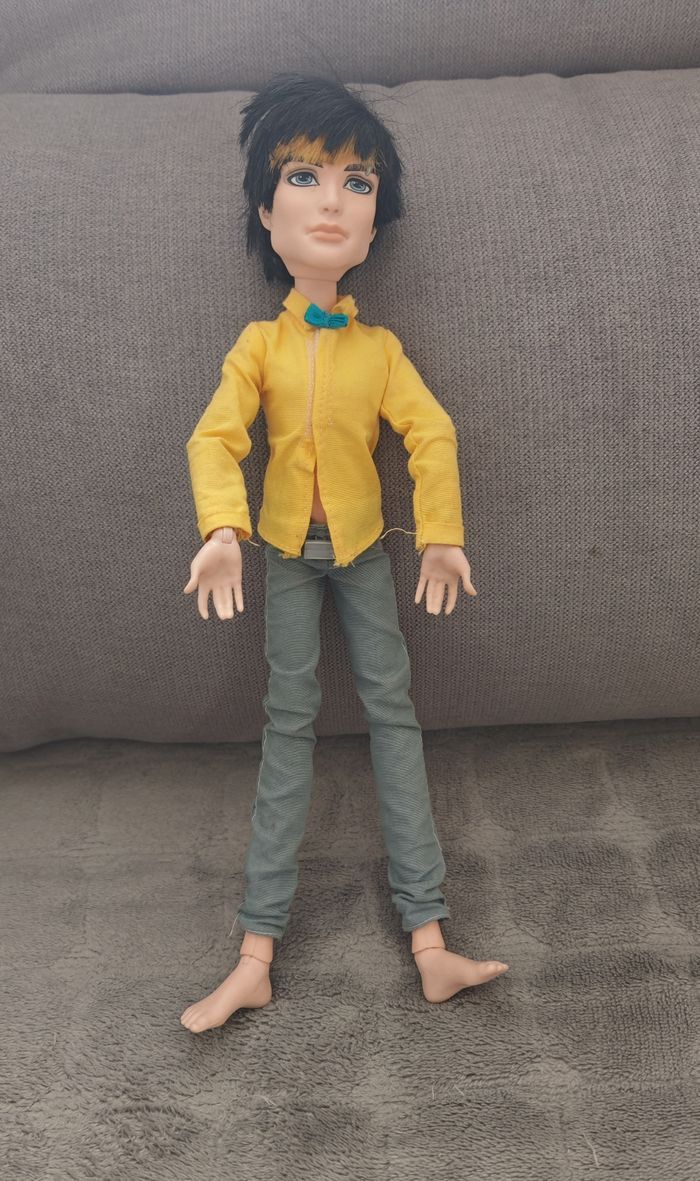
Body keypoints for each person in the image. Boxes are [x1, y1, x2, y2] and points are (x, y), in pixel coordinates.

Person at [180, 72, 508, 1033]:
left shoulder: (381, 350)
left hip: (364, 552)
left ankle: (431, 938)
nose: (331, 201)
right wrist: (222, 529)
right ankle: (255, 953)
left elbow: (431, 432)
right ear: (265, 210)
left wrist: (441, 536)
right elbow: (214, 438)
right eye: (304, 177)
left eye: (357, 184)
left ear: (373, 226)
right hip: (284, 552)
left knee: (393, 718)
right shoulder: (258, 346)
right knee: (287, 725)